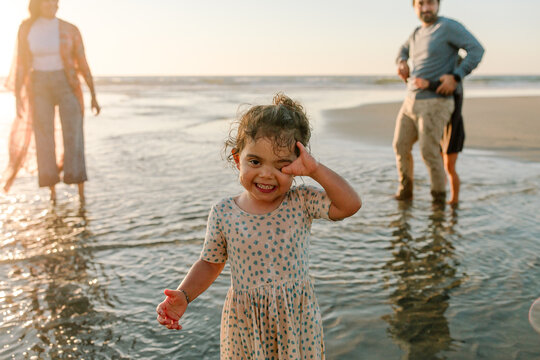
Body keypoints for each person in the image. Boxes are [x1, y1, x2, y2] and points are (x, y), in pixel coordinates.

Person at [156, 93, 361, 359]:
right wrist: (184, 294)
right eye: (255, 162)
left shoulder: (301, 201)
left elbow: (350, 205)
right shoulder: (224, 212)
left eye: (282, 165)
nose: (266, 174)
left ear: (298, 163)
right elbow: (209, 263)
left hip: (294, 318)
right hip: (246, 321)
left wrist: (315, 170)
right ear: (237, 158)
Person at [2, 0, 100, 203]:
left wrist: (93, 95)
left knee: (73, 136)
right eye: (48, 1)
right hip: (38, 86)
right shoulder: (26, 28)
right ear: (38, 3)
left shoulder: (69, 29)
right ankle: (52, 194)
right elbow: (21, 63)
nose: (53, 5)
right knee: (44, 139)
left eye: (55, 1)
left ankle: (80, 192)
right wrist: (18, 95)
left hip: (67, 83)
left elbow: (82, 62)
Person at [393, 0, 483, 203]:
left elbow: (477, 50)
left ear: (438, 5)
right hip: (410, 101)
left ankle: (438, 201)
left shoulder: (448, 27)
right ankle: (405, 194)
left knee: (428, 152)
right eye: (421, 4)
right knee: (400, 145)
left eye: (430, 3)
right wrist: (401, 62)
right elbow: (402, 50)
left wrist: (457, 76)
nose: (426, 8)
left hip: (436, 102)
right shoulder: (416, 33)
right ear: (414, 7)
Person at [415, 74, 464, 204]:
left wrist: (428, 84)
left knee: (450, 167)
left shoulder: (455, 84)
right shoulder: (442, 78)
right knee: (440, 163)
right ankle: (443, 190)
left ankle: (454, 200)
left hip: (453, 128)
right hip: (440, 125)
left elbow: (448, 90)